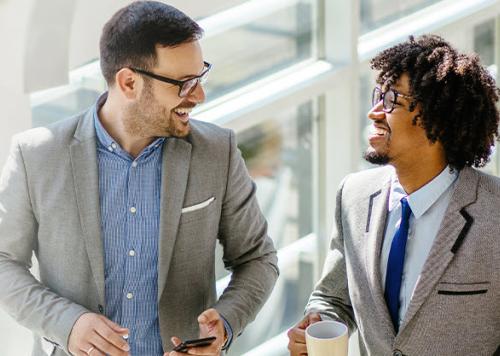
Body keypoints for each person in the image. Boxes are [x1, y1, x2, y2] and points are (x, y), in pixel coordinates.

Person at [0, 2, 279, 356]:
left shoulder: (217, 151)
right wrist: (66, 323)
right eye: (184, 84)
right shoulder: (36, 156)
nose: (199, 95)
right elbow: (3, 261)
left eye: (201, 76)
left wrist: (223, 325)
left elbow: (258, 259)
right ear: (129, 82)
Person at [288, 34, 500, 356]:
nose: (374, 112)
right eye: (378, 96)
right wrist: (319, 321)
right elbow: (334, 297)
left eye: (392, 101)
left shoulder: (494, 213)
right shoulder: (354, 196)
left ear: (437, 122)